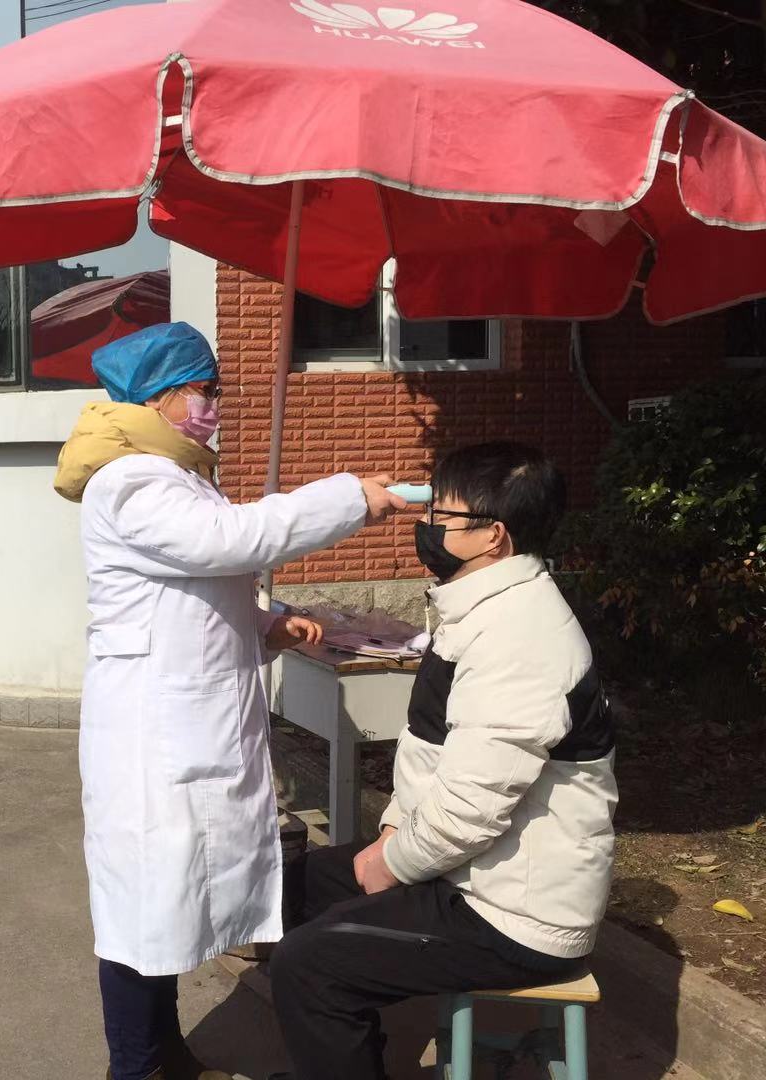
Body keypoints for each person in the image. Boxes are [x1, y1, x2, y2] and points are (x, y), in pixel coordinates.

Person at [53, 321, 406, 1080]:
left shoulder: (174, 475)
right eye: (204, 390)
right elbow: (230, 540)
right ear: (159, 395)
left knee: (166, 908)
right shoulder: (131, 480)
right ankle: (138, 1069)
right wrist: (349, 497)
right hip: (150, 739)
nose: (213, 405)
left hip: (184, 724)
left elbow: (196, 588)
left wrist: (266, 625)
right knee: (143, 914)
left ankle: (166, 1058)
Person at [269, 441, 619, 1080]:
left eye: (443, 515)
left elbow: (471, 806)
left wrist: (392, 861)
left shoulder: (522, 637)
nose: (426, 525)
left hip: (513, 914)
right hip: (470, 872)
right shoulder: (481, 606)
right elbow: (432, 756)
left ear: (493, 537)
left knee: (309, 965)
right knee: (296, 887)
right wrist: (394, 832)